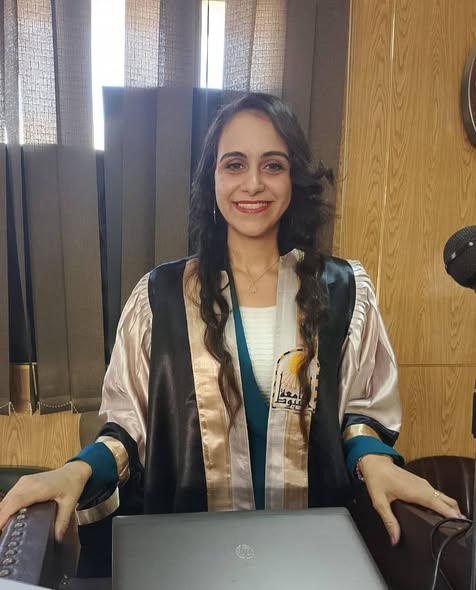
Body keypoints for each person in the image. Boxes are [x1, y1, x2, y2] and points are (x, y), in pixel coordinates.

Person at [0, 93, 462, 576]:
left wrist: (377, 461)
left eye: (273, 165)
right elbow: (127, 429)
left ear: (294, 178)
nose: (253, 183)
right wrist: (75, 470)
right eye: (235, 164)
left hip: (309, 559)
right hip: (188, 561)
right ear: (212, 179)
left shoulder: (344, 291)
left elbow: (362, 414)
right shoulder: (159, 298)